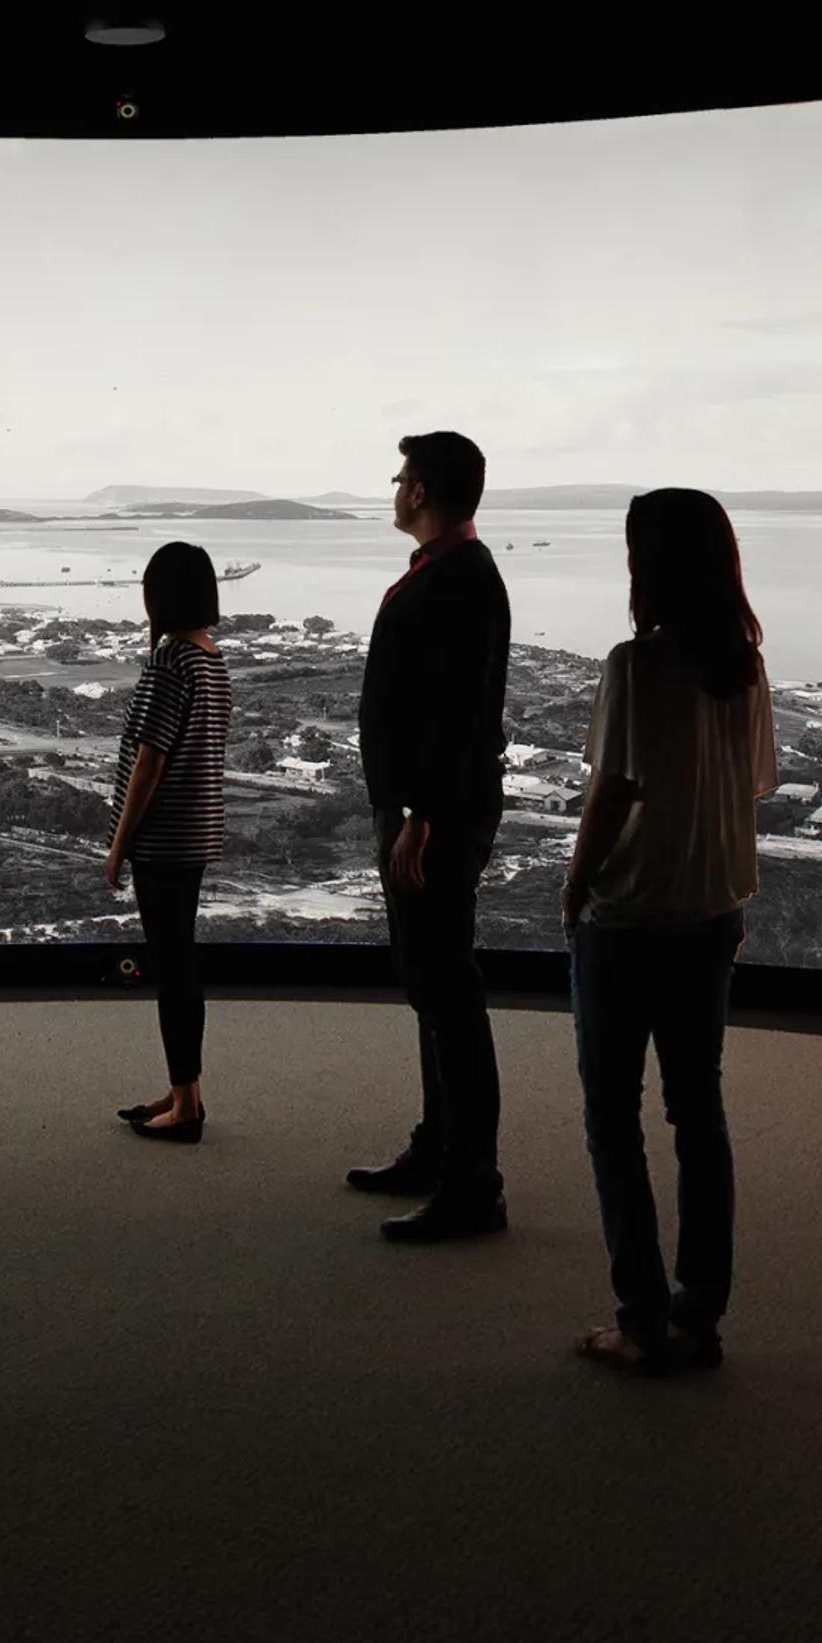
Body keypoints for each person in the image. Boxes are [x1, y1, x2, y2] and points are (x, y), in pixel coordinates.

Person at [556, 489, 775, 1375]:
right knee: (699, 1112)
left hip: (631, 915)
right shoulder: (745, 669)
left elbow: (612, 791)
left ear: (650, 565)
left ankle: (640, 1320)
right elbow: (753, 786)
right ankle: (699, 1316)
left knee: (614, 1119)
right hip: (713, 910)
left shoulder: (635, 665)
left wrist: (573, 889)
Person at [348, 430, 513, 1241]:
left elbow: (458, 717)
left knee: (449, 992)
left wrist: (423, 815)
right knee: (431, 987)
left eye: (401, 476)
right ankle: (438, 1146)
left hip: (433, 816)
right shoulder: (447, 571)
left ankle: (472, 1184)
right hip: (421, 810)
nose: (394, 486)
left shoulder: (461, 578)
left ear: (421, 491)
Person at [103, 542, 235, 1143]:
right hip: (196, 832)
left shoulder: (171, 661)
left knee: (172, 967)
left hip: (162, 838)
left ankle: (185, 1109)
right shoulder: (211, 658)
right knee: (180, 960)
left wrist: (118, 844)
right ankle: (185, 1092)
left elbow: (149, 761)